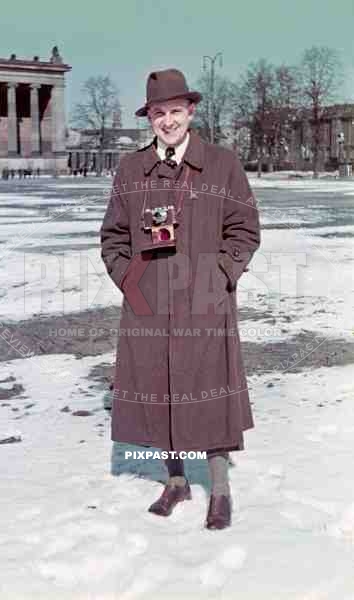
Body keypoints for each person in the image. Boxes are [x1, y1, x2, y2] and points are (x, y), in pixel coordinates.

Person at [100, 68, 261, 530]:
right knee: (159, 387)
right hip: (148, 303)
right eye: (157, 113)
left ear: (190, 111)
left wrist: (220, 274)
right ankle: (174, 481)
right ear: (148, 118)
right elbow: (112, 236)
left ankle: (220, 489)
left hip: (205, 300)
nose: (167, 121)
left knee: (209, 389)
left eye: (174, 111)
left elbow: (245, 229)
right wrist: (130, 280)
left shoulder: (222, 164)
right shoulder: (131, 169)